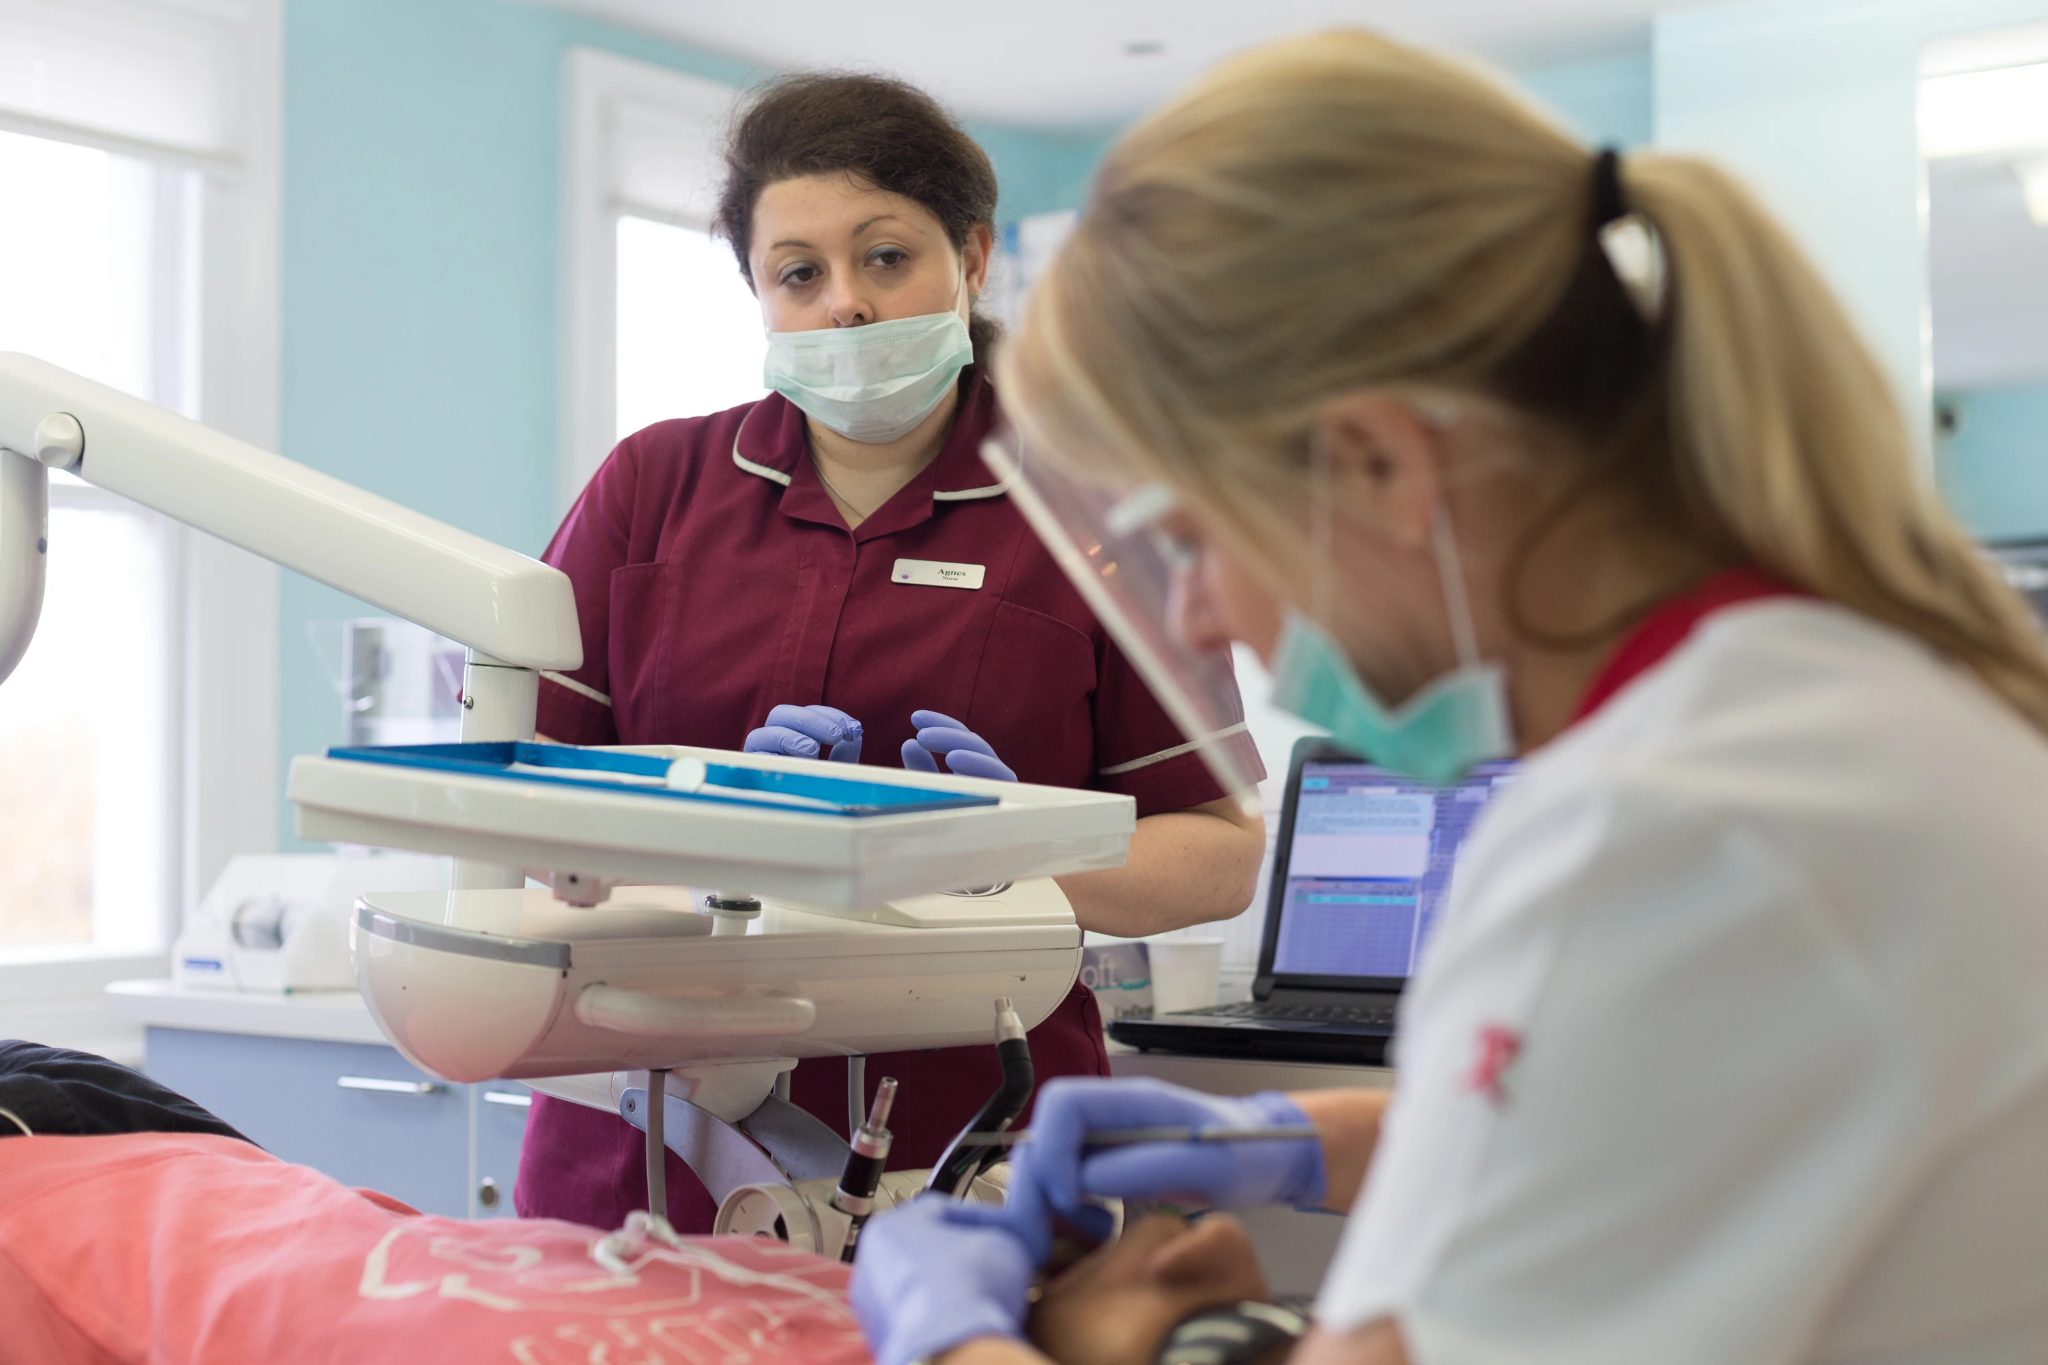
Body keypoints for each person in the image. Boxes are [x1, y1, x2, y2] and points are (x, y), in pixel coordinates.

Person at [848, 28, 2048, 1365]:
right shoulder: (1832, 704)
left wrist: (950, 1341)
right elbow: (1656, 1116)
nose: (1191, 616)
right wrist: (1306, 1139)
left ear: (1371, 461)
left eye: (1188, 540)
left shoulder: (1663, 833)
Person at [518, 71, 1267, 1236]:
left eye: (885, 258)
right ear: (756, 292)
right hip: (646, 1149)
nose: (845, 309)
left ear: (970, 260)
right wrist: (707, 815)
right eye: (798, 274)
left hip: (974, 1157)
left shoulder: (1093, 507)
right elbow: (513, 802)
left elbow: (1218, 854)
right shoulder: (652, 490)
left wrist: (1011, 859)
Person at [0, 1041, 1271, 1365]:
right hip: (214, 1185)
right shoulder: (865, 1295)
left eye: (1216, 1352)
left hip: (57, 1231)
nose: (1214, 1246)